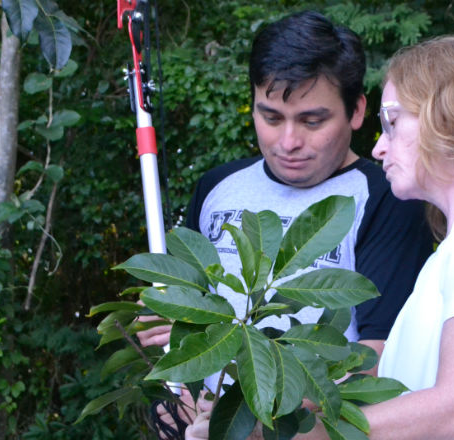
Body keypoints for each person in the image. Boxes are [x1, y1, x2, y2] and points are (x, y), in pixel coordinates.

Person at [140, 10, 434, 439]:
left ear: (356, 111)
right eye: (271, 117)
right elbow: (184, 323)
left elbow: (376, 357)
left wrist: (256, 422)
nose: (289, 141)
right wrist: (178, 403)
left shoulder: (388, 198)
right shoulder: (217, 187)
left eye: (312, 121)